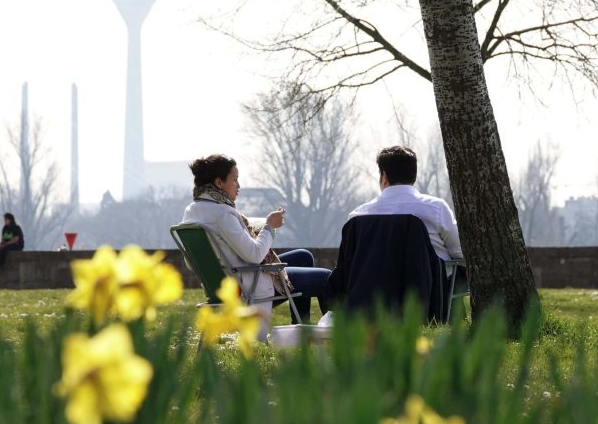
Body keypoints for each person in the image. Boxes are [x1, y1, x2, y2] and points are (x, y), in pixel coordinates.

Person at [180, 154, 332, 338]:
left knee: (303, 256)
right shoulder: (223, 214)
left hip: (230, 277)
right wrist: (269, 226)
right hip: (249, 284)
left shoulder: (192, 211)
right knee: (326, 279)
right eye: (235, 179)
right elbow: (254, 255)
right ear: (219, 183)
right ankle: (334, 337)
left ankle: (300, 329)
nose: (239, 186)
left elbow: (192, 263)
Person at [349, 145, 463, 264]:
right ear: (413, 176)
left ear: (384, 176)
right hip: (430, 281)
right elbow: (459, 252)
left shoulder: (358, 216)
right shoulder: (436, 208)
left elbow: (350, 258)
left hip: (373, 282)